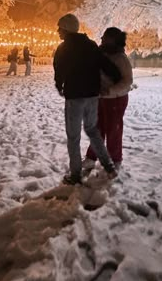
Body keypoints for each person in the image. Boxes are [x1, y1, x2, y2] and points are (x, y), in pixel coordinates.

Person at [53, 13, 122, 185]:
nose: (58, 31)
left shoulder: (63, 48)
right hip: (92, 97)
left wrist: (60, 86)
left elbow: (59, 70)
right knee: (92, 131)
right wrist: (116, 77)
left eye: (60, 28)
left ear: (67, 29)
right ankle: (109, 166)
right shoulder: (91, 45)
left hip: (74, 98)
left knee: (73, 137)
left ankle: (75, 175)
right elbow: (105, 65)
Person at [84, 27, 133, 171]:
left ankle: (115, 160)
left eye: (105, 37)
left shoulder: (121, 58)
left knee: (114, 130)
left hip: (116, 100)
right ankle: (91, 157)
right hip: (100, 98)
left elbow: (127, 81)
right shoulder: (100, 54)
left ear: (113, 39)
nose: (102, 39)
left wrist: (109, 90)